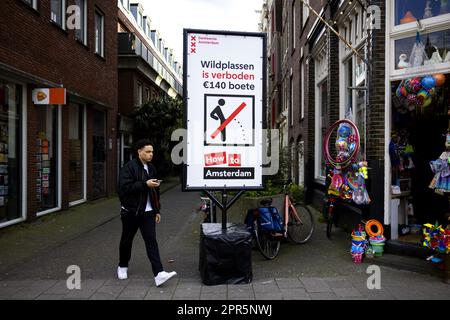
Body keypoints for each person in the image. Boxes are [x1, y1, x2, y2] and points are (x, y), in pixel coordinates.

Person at [117, 139, 177, 287]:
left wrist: (157, 210)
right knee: (127, 240)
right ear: (139, 152)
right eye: (148, 152)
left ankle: (159, 274)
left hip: (148, 213)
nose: (151, 155)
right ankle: (123, 265)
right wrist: (145, 184)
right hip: (131, 212)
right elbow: (123, 189)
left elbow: (155, 191)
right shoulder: (129, 168)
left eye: (152, 152)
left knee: (151, 242)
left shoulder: (151, 168)